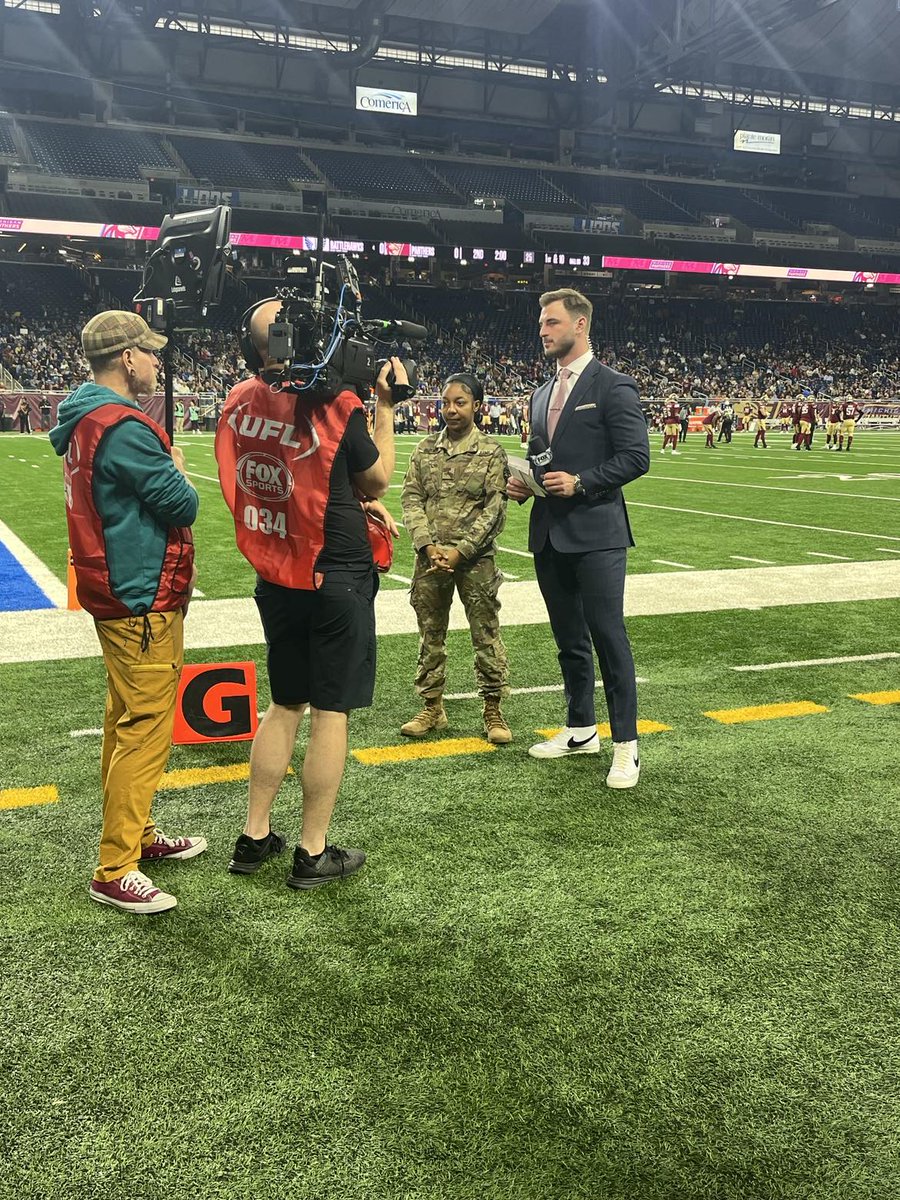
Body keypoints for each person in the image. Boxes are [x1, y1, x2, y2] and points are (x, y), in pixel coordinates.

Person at [215, 298, 403, 890]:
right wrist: (386, 407)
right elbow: (375, 476)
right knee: (330, 710)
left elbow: (297, 472)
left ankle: (253, 836)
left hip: (276, 568)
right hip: (334, 571)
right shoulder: (336, 403)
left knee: (284, 702)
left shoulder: (238, 399)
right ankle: (312, 851)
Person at [49, 311, 203, 915]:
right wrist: (181, 474)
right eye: (150, 352)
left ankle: (135, 835)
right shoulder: (126, 428)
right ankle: (116, 866)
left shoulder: (82, 419)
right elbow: (181, 504)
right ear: (127, 359)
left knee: (123, 722)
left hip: (110, 587)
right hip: (140, 594)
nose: (158, 362)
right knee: (144, 729)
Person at [507, 289, 650, 789]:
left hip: (597, 534)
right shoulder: (541, 392)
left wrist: (582, 482)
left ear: (580, 325)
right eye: (541, 323)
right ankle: (580, 727)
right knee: (569, 641)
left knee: (608, 638)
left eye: (551, 322)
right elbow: (542, 458)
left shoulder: (614, 386)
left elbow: (637, 457)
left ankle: (627, 746)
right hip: (549, 532)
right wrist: (524, 484)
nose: (542, 331)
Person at [400, 372, 511, 745]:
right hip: (430, 558)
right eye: (445, 403)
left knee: (485, 634)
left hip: (474, 561)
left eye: (459, 402)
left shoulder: (491, 452)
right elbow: (411, 498)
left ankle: (493, 708)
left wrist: (461, 551)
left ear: (477, 407)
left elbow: (494, 508)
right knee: (430, 633)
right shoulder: (424, 449)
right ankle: (432, 707)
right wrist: (427, 545)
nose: (450, 410)